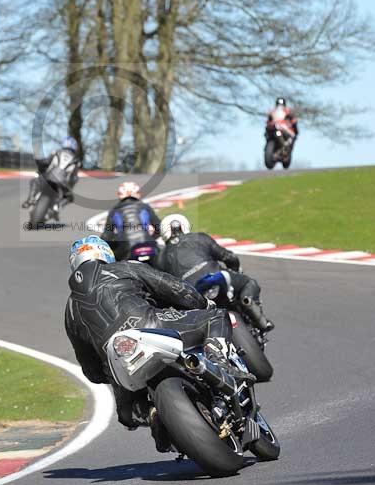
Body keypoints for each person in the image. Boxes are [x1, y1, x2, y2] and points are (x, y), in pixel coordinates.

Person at [64, 235, 251, 449]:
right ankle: (218, 359)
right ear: (104, 253)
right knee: (216, 316)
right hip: (153, 326)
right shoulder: (124, 267)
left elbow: (90, 370)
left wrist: (109, 372)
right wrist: (201, 303)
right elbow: (173, 287)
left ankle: (152, 414)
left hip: (119, 360)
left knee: (127, 412)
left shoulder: (70, 310)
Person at [157, 215, 274, 333]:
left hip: (191, 292)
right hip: (214, 276)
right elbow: (229, 257)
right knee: (248, 282)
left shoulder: (160, 258)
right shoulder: (199, 237)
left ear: (164, 232)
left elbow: (164, 290)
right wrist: (236, 270)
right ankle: (257, 315)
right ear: (184, 226)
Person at [22, 136, 80, 221]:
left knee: (34, 181)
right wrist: (69, 189)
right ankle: (56, 208)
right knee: (69, 197)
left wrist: (39, 172)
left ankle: (31, 199)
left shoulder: (56, 152)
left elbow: (45, 163)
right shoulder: (76, 160)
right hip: (62, 184)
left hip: (48, 177)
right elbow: (73, 178)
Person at [101, 181, 161, 260]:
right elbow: (159, 228)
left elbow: (107, 236)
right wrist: (151, 238)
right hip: (148, 245)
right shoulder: (145, 207)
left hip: (126, 248)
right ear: (137, 194)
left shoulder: (114, 211)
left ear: (120, 194)